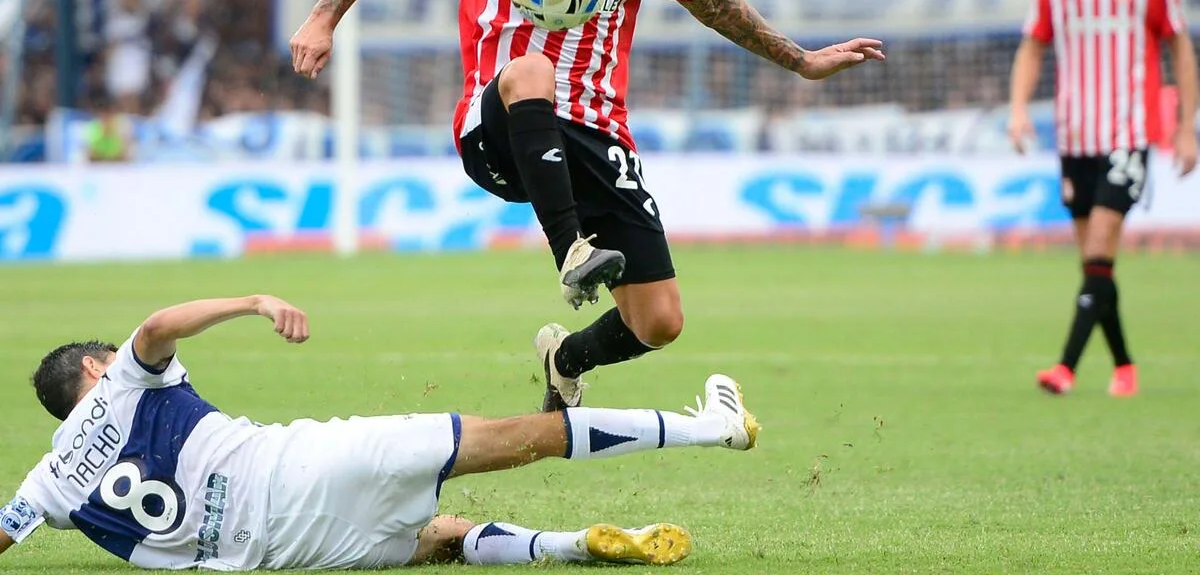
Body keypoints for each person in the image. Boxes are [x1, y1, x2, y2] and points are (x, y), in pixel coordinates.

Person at [288, 0, 885, 412]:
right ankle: (570, 249)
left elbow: (715, 3)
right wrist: (324, 17)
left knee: (659, 321)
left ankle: (565, 359)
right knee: (531, 69)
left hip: (598, 134)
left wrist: (802, 61)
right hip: (502, 123)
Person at [0, 294, 759, 570]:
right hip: (299, 469)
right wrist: (256, 301)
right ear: (95, 368)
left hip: (280, 554)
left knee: (439, 539)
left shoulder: (47, 482)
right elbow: (158, 326)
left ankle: (570, 546)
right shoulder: (123, 381)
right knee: (521, 435)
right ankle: (711, 427)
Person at [1007, 0, 1198, 397]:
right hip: (1075, 137)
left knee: (1099, 244)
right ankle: (1125, 367)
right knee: (1096, 263)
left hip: (1127, 133)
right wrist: (1018, 110)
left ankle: (1065, 368)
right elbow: (1033, 46)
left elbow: (1180, 47)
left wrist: (1186, 127)